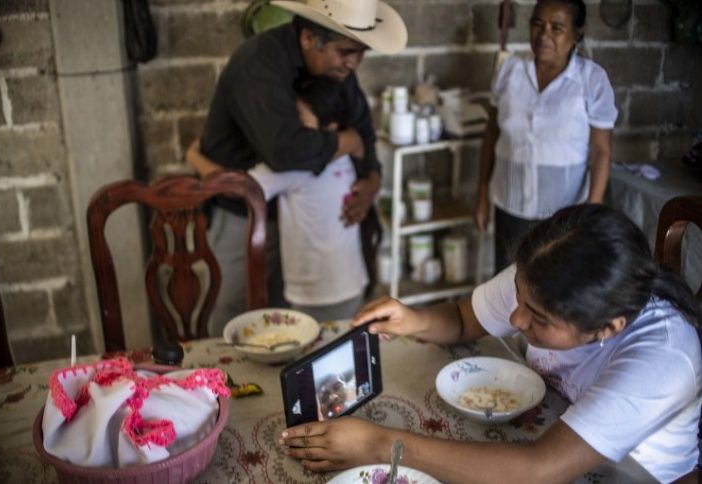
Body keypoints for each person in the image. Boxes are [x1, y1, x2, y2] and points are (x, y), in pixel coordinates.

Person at [279, 203, 702, 483]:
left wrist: (380, 445)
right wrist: (414, 319)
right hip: (556, 432)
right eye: (519, 299)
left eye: (537, 318)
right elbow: (466, 318)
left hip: (631, 474)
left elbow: (539, 469)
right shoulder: (543, 275)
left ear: (609, 328)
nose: (516, 320)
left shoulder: (662, 355)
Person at [195, 0, 407, 334]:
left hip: (296, 220)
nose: (355, 63)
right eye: (346, 52)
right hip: (240, 209)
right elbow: (287, 152)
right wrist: (347, 143)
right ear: (309, 39)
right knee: (232, 313)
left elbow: (361, 124)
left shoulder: (340, 68)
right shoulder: (258, 63)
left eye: (361, 52)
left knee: (284, 320)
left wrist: (373, 178)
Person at [188, 78, 369, 322]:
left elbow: (237, 187)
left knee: (316, 354)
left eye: (300, 117)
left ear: (330, 125)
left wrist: (193, 156)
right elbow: (359, 142)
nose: (291, 124)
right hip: (350, 280)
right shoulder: (348, 150)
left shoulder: (297, 163)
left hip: (315, 291)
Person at [475, 0, 618, 274]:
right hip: (509, 207)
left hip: (563, 217)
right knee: (505, 290)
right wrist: (481, 194)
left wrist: (591, 210)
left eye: (557, 28)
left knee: (554, 295)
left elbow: (601, 150)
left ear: (577, 33)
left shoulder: (591, 80)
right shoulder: (509, 71)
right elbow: (491, 133)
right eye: (537, 24)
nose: (544, 35)